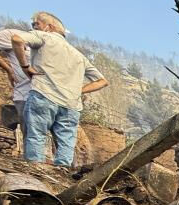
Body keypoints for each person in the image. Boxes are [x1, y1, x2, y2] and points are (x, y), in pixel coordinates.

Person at [10, 12, 108, 166]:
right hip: (71, 105)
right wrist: (78, 90)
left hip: (43, 95)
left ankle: (36, 171)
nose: (34, 28)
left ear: (49, 27)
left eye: (36, 24)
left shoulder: (45, 37)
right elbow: (102, 81)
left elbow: (16, 39)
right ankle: (61, 174)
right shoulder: (79, 56)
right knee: (66, 143)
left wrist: (25, 66)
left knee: (36, 135)